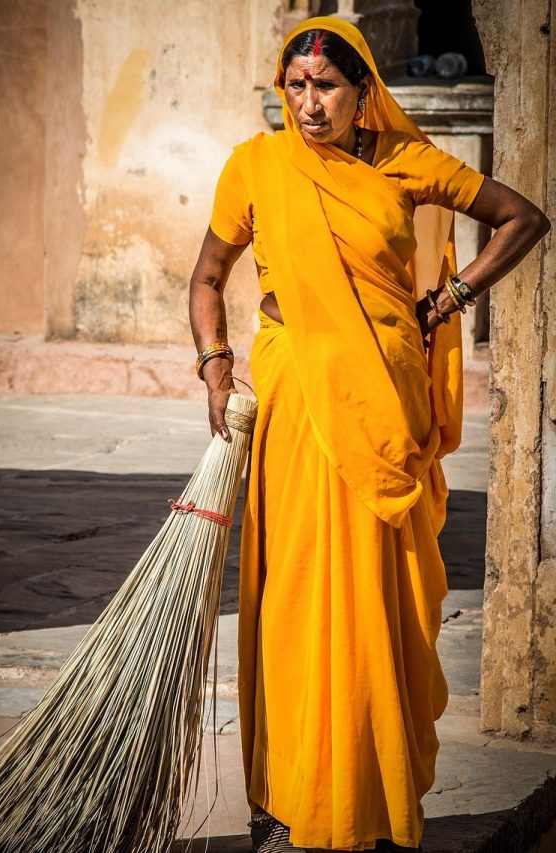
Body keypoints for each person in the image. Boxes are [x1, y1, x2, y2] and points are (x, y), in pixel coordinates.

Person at [189, 16, 550, 853]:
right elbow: (209, 275)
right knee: (290, 596)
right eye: (296, 87)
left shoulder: (402, 162)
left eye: (326, 87)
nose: (308, 105)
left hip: (381, 400)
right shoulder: (257, 165)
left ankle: (368, 796)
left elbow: (521, 217)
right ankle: (287, 799)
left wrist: (447, 300)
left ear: (363, 94)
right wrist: (214, 363)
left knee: (373, 602)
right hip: (294, 398)